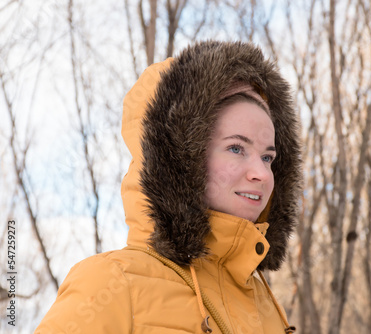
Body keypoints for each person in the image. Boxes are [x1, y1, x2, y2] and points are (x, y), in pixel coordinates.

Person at [35, 40, 302, 334]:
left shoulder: (268, 308)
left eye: (267, 157)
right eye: (236, 148)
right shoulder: (112, 284)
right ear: (181, 156)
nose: (262, 174)